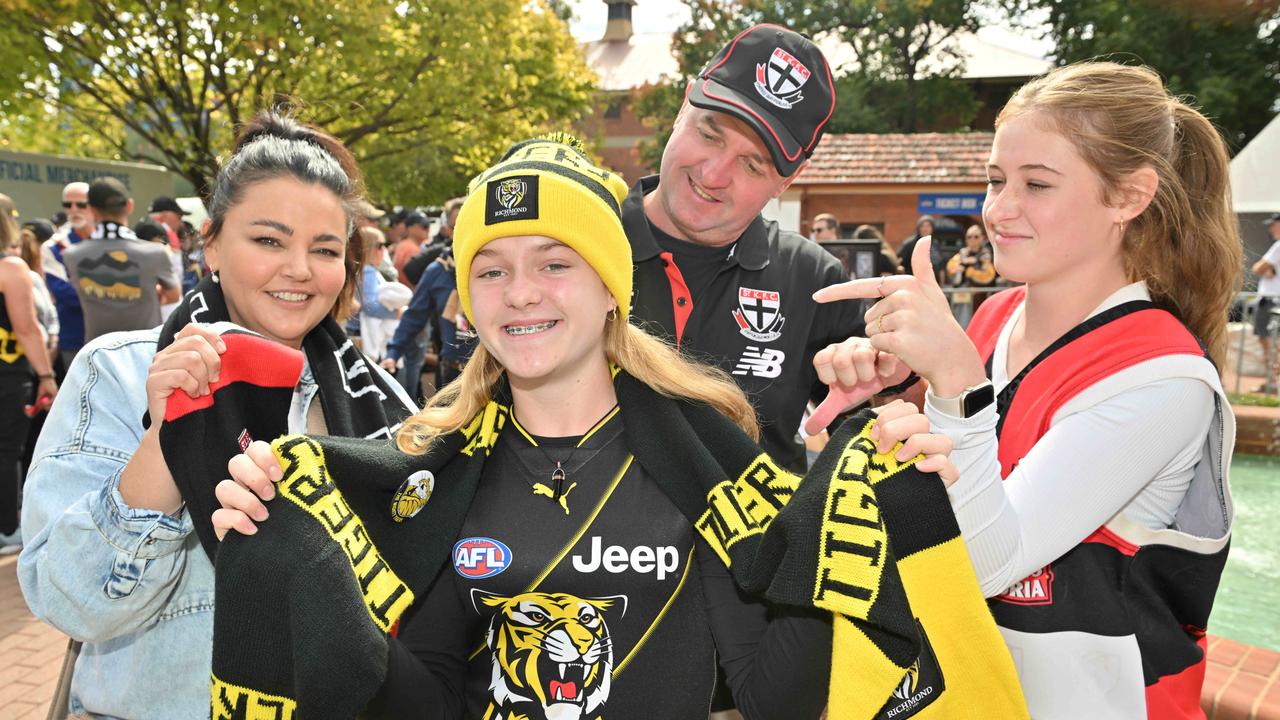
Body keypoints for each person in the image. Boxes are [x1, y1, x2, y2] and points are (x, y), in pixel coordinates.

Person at [208, 136, 1026, 720]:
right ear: (468, 298)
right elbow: (423, 694)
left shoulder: (702, 457)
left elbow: (776, 697)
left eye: (555, 263)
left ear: (610, 289)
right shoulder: (433, 467)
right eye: (491, 271)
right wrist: (309, 568)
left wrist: (841, 507)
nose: (520, 293)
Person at [812, 61, 1239, 719]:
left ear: (1129, 197)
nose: (998, 210)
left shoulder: (1168, 380)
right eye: (994, 180)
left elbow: (984, 563)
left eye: (1037, 184)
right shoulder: (995, 317)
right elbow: (944, 482)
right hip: (971, 694)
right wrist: (886, 395)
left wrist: (955, 386)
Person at [18, 111, 416, 719]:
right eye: (268, 241)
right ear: (211, 247)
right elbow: (71, 601)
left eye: (325, 249)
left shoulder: (378, 398)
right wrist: (169, 435)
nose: (300, 269)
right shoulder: (121, 372)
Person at [624, 24, 867, 474]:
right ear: (684, 106)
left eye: (752, 163)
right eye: (710, 135)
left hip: (757, 544)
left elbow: (898, 410)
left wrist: (908, 378)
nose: (714, 174)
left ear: (787, 181)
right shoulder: (579, 246)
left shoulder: (815, 281)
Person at [0, 195, 58, 552]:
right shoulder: (11, 269)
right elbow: (26, 328)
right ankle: (7, 528)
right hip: (8, 373)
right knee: (7, 449)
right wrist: (47, 375)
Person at [63, 178, 181, 341]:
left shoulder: (72, 255)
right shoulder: (155, 253)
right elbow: (174, 295)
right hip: (145, 349)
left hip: (97, 353)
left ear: (90, 209)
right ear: (129, 206)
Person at [41, 182, 94, 371]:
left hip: (115, 334)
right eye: (68, 205)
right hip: (74, 339)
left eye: (81, 204)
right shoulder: (53, 246)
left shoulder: (112, 240)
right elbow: (66, 294)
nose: (73, 210)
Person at [357, 225, 410, 361]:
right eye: (380, 245)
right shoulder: (368, 271)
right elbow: (370, 306)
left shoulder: (362, 269)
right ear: (367, 247)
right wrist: (397, 313)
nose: (384, 250)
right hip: (363, 334)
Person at [944, 223, 996, 328]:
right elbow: (951, 267)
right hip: (962, 296)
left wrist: (970, 272)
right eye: (969, 237)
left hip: (980, 298)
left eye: (976, 236)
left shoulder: (986, 255)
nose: (972, 239)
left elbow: (988, 276)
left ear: (982, 238)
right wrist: (956, 269)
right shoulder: (962, 253)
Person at [1250, 212, 1280, 393]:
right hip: (1273, 300)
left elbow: (1258, 267)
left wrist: (1268, 271)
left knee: (1270, 343)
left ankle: (1272, 383)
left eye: (1274, 224)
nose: (1271, 228)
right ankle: (1272, 382)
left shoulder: (1278, 245)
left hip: (1271, 301)